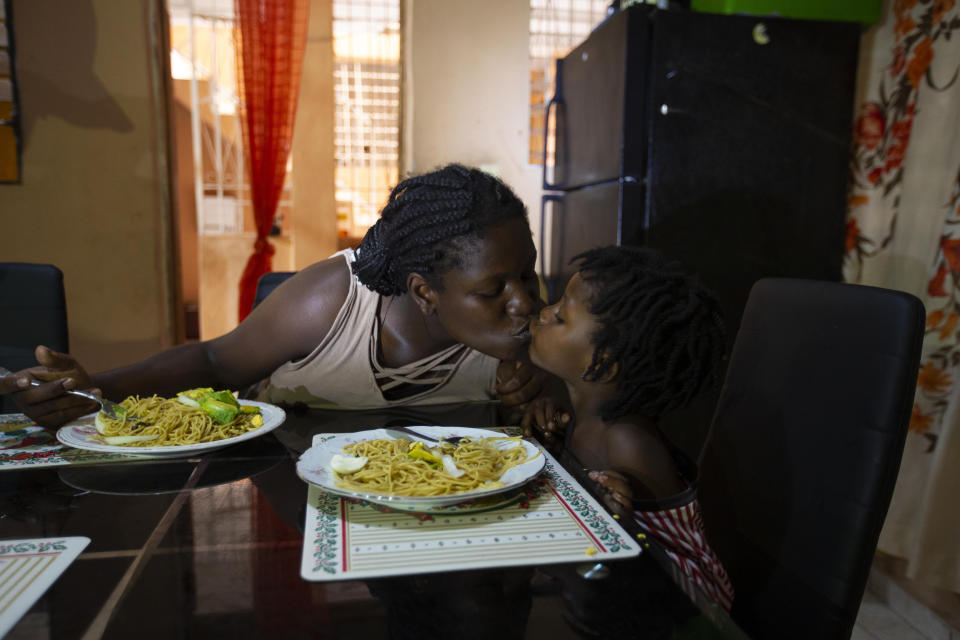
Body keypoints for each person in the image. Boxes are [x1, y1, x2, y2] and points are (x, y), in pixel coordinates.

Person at [1, 164, 548, 427]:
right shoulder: (334, 299)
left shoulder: (528, 332)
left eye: (528, 275)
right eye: (493, 290)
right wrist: (100, 387)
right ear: (424, 291)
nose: (524, 302)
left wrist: (545, 391)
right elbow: (215, 359)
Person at [527, 244, 735, 611]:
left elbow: (661, 564)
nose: (543, 313)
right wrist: (552, 426)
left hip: (684, 605)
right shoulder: (590, 415)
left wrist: (616, 511)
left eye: (561, 316)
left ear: (603, 363)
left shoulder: (628, 442)